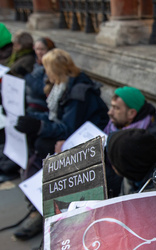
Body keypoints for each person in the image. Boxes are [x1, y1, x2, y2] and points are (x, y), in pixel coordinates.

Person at [13, 48, 109, 240]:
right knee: (36, 144)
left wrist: (39, 125)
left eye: (47, 68)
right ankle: (36, 204)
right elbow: (54, 117)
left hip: (83, 142)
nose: (45, 72)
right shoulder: (63, 86)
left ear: (55, 70)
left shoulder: (77, 92)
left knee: (41, 145)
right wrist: (32, 119)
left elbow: (67, 128)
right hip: (72, 135)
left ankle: (39, 209)